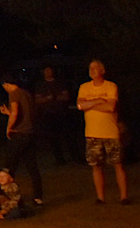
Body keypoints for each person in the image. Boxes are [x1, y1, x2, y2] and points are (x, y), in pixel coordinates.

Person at [76, 59, 128, 205]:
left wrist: (90, 105)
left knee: (118, 164)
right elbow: (80, 105)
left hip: (110, 132)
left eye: (95, 68)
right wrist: (99, 100)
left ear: (102, 71)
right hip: (92, 133)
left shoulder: (111, 86)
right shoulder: (84, 87)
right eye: (90, 68)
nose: (92, 70)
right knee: (96, 166)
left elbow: (111, 107)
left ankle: (124, 197)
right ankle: (100, 197)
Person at [0, 75, 42, 206]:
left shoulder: (14, 94)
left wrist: (8, 128)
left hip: (19, 134)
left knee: (9, 166)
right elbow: (24, 114)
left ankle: (8, 196)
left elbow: (15, 113)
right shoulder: (26, 93)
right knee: (32, 166)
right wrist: (8, 113)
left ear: (6, 84)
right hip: (29, 133)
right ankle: (38, 197)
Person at [31, 66, 72, 165]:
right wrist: (48, 98)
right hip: (48, 114)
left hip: (61, 113)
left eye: (49, 70)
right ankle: (59, 158)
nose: (48, 72)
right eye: (46, 70)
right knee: (53, 138)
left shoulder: (60, 83)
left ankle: (75, 156)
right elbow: (37, 100)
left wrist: (55, 97)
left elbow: (66, 97)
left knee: (69, 136)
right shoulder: (40, 85)